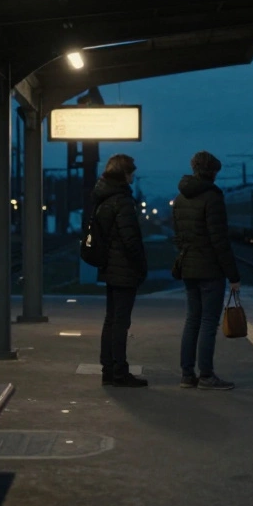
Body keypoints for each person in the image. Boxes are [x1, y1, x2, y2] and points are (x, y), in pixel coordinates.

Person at [172, 151, 240, 390]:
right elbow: (219, 240)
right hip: (210, 269)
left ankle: (187, 375)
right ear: (212, 172)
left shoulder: (180, 198)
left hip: (188, 267)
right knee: (209, 323)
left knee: (192, 320)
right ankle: (207, 376)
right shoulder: (213, 198)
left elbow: (177, 236)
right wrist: (233, 276)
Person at [91, 153, 149, 387]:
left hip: (109, 266)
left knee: (111, 319)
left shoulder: (103, 197)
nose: (133, 176)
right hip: (124, 267)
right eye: (131, 172)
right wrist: (141, 266)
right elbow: (130, 239)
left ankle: (108, 369)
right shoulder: (122, 201)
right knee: (121, 322)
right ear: (124, 173)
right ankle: (119, 372)